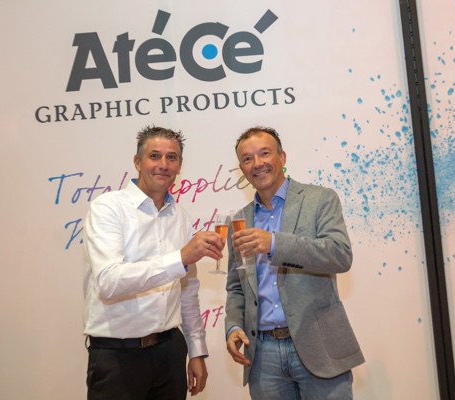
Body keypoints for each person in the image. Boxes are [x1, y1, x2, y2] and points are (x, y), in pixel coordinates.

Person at [83, 125, 225, 400]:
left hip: (169, 351)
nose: (163, 164)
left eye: (171, 157)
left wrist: (196, 350)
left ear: (179, 166)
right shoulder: (108, 208)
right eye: (154, 156)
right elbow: (108, 283)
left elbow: (187, 289)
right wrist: (181, 258)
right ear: (137, 162)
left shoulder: (180, 215)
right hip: (117, 355)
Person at [225, 126, 365, 399]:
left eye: (265, 153)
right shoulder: (239, 221)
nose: (257, 163)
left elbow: (340, 254)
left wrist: (274, 243)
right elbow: (236, 286)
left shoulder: (320, 199)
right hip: (263, 357)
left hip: (319, 347)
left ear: (282, 157)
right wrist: (234, 326)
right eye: (247, 158)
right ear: (242, 169)